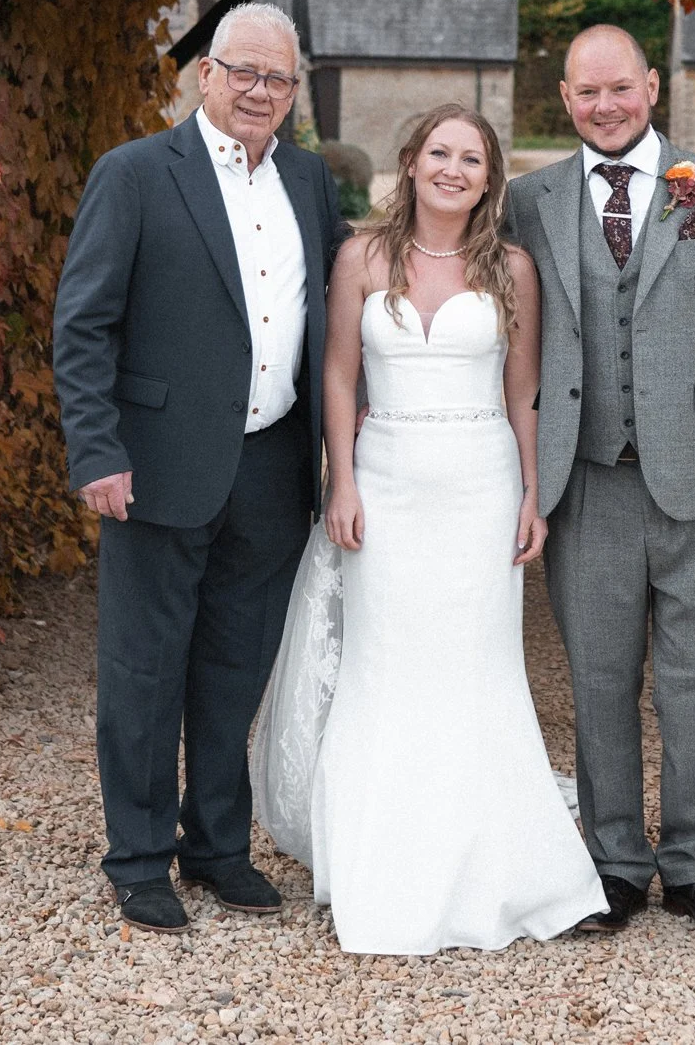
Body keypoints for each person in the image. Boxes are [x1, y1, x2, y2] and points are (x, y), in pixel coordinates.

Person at [251, 104, 606, 953]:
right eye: (439, 152)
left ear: (490, 178)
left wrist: (531, 494)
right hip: (388, 484)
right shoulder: (361, 256)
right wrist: (341, 480)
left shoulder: (512, 268)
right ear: (409, 163)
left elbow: (523, 391)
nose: (454, 168)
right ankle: (382, 861)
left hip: (480, 486)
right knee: (386, 666)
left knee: (479, 670)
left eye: (472, 158)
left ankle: (495, 865)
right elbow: (339, 375)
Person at [52, 1, 348, 933]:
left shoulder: (309, 182)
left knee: (234, 668)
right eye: (244, 72)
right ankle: (138, 858)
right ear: (207, 75)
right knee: (145, 669)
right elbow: (83, 322)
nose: (260, 91)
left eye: (278, 79)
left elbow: (334, 319)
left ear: (294, 92)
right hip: (156, 463)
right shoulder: (137, 173)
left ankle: (216, 844)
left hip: (272, 463)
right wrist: (97, 448)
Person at [504, 24, 695, 937]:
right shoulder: (529, 201)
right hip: (586, 483)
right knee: (599, 677)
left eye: (619, 87)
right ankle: (615, 863)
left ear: (653, 86)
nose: (604, 105)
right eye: (586, 93)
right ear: (566, 98)